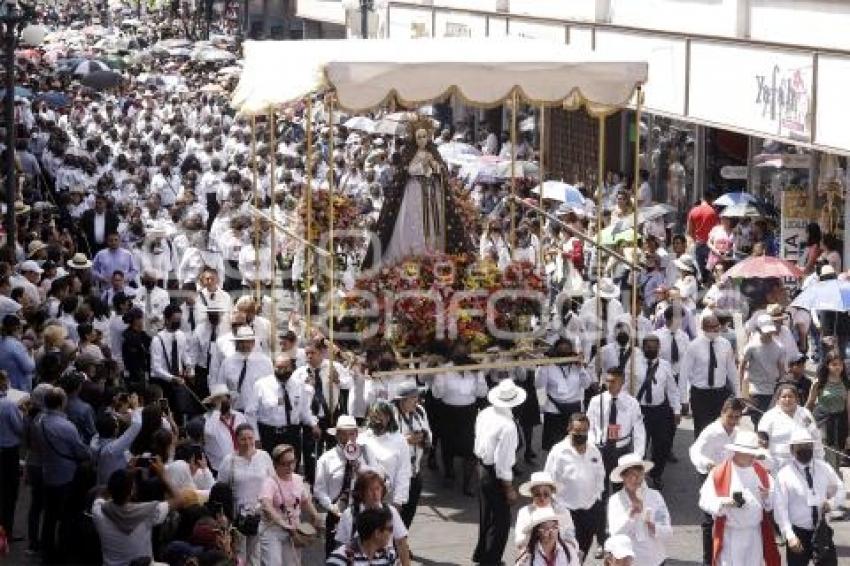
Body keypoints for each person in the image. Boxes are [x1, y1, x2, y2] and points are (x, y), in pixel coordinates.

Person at [698, 430, 780, 566]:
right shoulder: (719, 472)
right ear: (737, 452)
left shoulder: (760, 471)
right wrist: (725, 502)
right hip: (730, 534)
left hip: (754, 533)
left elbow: (774, 499)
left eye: (754, 454)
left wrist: (767, 496)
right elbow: (704, 500)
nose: (753, 457)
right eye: (749, 454)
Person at [472, 379, 525, 566]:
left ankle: (482, 554)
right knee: (501, 521)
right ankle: (491, 560)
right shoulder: (508, 427)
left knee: (487, 515)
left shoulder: (485, 413)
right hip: (494, 473)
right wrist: (509, 487)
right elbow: (502, 462)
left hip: (482, 467)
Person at [774, 428, 845, 566]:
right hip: (798, 533)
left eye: (808, 446)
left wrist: (831, 503)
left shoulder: (824, 468)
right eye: (800, 447)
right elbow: (780, 510)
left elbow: (840, 489)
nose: (805, 449)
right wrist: (790, 536)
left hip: (822, 530)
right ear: (792, 449)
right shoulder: (784, 475)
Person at [37, 386, 92, 563]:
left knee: (49, 516)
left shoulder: (40, 421)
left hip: (47, 472)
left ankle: (46, 551)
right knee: (66, 516)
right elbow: (81, 452)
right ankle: (63, 552)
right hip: (66, 476)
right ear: (61, 403)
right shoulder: (66, 426)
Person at [93, 465, 185, 566]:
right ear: (132, 491)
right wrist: (162, 474)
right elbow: (180, 500)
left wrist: (123, 476)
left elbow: (100, 495)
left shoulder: (99, 511)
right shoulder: (149, 511)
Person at [689, 396, 744, 565]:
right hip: (709, 476)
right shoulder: (711, 432)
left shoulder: (738, 433)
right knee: (709, 519)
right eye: (730, 417)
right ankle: (708, 560)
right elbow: (694, 451)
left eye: (737, 417)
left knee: (730, 515)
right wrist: (707, 464)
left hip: (730, 478)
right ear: (722, 413)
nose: (733, 421)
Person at [545, 412, 606, 559]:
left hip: (589, 511)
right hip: (566, 513)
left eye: (584, 431)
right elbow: (548, 480)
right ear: (569, 429)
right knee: (565, 552)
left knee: (582, 549)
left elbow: (600, 475)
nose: (581, 434)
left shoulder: (593, 450)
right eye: (577, 431)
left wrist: (597, 496)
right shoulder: (558, 452)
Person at [315, 415, 374, 556]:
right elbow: (319, 490)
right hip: (337, 513)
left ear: (357, 434)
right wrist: (331, 506)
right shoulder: (326, 459)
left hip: (362, 512)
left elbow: (375, 478)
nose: (348, 438)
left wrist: (359, 467)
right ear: (337, 435)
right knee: (335, 555)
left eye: (352, 433)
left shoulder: (366, 454)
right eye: (343, 433)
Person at [217, 423, 275, 565]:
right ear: (236, 440)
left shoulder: (264, 456)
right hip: (238, 517)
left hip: (261, 515)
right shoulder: (228, 461)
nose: (248, 442)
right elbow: (220, 490)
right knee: (239, 555)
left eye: (250, 438)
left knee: (257, 556)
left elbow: (273, 483)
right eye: (243, 439)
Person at [258, 444, 323, 566]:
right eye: (285, 463)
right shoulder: (269, 482)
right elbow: (267, 505)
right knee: (274, 563)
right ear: (276, 464)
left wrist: (315, 514)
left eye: (292, 462)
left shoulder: (298, 479)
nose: (290, 467)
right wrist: (281, 522)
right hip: (273, 530)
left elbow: (305, 500)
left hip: (293, 530)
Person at [333, 469, 411, 566]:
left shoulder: (391, 511)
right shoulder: (349, 514)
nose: (375, 494)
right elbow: (340, 544)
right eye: (371, 490)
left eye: (378, 489)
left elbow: (401, 543)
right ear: (362, 492)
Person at [681, 314, 740, 437]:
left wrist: (738, 394)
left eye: (716, 327)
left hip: (720, 394)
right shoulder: (694, 346)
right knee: (702, 430)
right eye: (711, 327)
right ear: (703, 328)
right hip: (700, 395)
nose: (714, 330)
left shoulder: (725, 344)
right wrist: (684, 398)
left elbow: (732, 371)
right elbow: (684, 373)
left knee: (721, 429)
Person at [606, 453, 671, 565]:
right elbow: (615, 533)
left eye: (639, 475)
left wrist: (653, 526)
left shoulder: (655, 496)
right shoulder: (615, 501)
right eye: (631, 475)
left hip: (655, 559)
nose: (636, 479)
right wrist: (631, 515)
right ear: (623, 477)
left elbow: (667, 531)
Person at [634, 335, 679, 488]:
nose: (651, 349)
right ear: (643, 347)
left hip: (660, 410)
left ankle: (656, 474)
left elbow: (672, 389)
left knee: (662, 445)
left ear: (659, 349)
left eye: (654, 346)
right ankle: (638, 476)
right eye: (648, 346)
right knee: (640, 445)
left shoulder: (665, 366)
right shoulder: (633, 364)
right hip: (640, 411)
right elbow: (627, 385)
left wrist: (676, 409)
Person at [536, 338, 592, 451]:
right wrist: (542, 367)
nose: (564, 352)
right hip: (554, 411)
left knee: (575, 445)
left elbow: (586, 384)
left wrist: (581, 368)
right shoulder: (548, 365)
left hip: (574, 412)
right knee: (554, 447)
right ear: (555, 351)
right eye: (561, 350)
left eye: (567, 350)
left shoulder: (576, 365)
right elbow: (538, 385)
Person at [392, 382, 432, 528]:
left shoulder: (420, 411)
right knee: (395, 515)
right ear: (402, 400)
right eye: (414, 397)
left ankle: (402, 545)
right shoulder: (391, 414)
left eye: (418, 397)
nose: (418, 401)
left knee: (409, 514)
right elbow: (385, 441)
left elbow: (428, 432)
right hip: (397, 476)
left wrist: (423, 438)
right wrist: (406, 441)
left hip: (415, 473)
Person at [758, 383, 823, 470]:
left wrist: (819, 460)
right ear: (778, 399)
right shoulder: (769, 417)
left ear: (796, 399)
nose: (787, 399)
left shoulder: (804, 414)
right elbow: (762, 443)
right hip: (778, 465)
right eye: (784, 397)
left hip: (803, 462)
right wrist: (767, 464)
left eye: (790, 396)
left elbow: (815, 436)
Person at [806, 350, 850, 469]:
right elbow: (810, 404)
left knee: (838, 456)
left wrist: (849, 433)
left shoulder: (846, 383)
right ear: (827, 365)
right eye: (834, 364)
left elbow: (848, 408)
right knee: (828, 456)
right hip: (823, 423)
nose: (838, 367)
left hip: (840, 424)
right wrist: (802, 422)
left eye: (840, 364)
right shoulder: (819, 383)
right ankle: (832, 480)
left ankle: (833, 480)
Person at [741, 314, 785, 426]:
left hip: (772, 389)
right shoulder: (751, 347)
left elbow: (781, 369)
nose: (769, 334)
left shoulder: (779, 347)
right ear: (758, 330)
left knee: (771, 421)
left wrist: (783, 386)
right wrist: (740, 388)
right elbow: (742, 366)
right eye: (766, 332)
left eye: (770, 331)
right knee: (758, 421)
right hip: (755, 389)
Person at [514, 471, 575, 550]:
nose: (542, 498)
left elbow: (570, 537)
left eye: (546, 494)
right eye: (537, 494)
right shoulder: (524, 512)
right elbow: (520, 539)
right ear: (532, 494)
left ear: (552, 493)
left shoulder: (562, 512)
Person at [325, 506, 397, 566]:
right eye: (390, 529)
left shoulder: (389, 555)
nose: (392, 532)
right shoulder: (339, 559)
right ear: (377, 533)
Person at [202, 384, 248, 473]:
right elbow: (209, 433)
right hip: (220, 466)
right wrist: (217, 411)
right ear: (213, 402)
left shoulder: (239, 416)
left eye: (225, 398)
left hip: (241, 462)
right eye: (218, 399)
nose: (222, 401)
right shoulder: (208, 418)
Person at [0, 371, 23, 542]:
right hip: (7, 452)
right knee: (8, 494)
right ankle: (6, 531)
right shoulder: (8, 405)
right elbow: (19, 428)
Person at [515, 506, 581, 566]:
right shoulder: (527, 556)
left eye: (554, 527)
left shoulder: (569, 550)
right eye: (545, 528)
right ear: (537, 532)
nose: (551, 532)